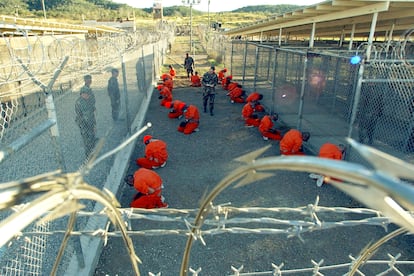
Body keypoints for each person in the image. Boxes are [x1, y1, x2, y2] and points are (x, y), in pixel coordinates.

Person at [75, 74, 97, 158]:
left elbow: (90, 113)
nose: (88, 96)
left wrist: (93, 124)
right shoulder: (80, 102)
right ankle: (88, 155)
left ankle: (91, 151)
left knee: (90, 137)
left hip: (89, 121)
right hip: (84, 123)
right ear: (82, 94)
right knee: (87, 139)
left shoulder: (86, 100)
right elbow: (85, 115)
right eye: (87, 94)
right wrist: (92, 126)